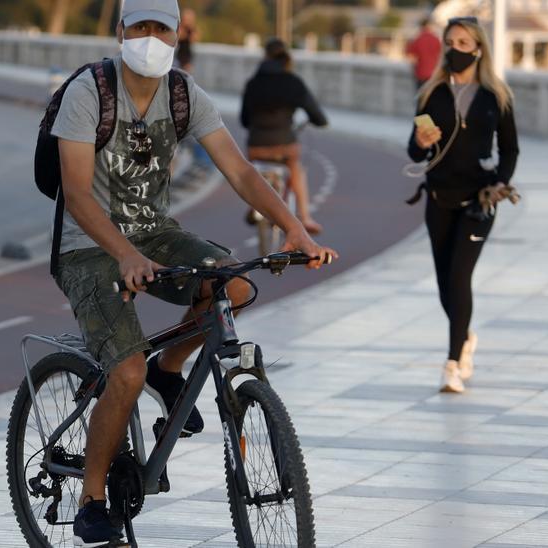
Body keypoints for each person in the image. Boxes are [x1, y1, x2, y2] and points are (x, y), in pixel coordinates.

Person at [50, 1, 336, 544]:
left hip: (154, 232)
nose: (151, 38)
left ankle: (171, 366)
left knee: (232, 281)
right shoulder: (88, 93)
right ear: (121, 32)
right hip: (87, 247)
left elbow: (240, 169)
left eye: (162, 28)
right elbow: (78, 194)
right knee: (126, 372)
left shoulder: (182, 94)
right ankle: (90, 498)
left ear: (178, 35)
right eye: (141, 27)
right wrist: (124, 254)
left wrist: (293, 228)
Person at [407, 17, 519, 394]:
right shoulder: (431, 93)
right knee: (443, 284)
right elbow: (413, 149)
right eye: (450, 42)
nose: (456, 49)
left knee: (459, 277)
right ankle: (465, 334)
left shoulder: (495, 96)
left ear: (479, 48)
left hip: (478, 201)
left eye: (464, 42)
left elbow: (510, 148)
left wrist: (501, 181)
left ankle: (453, 362)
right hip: (438, 198)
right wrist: (422, 143)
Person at [240, 38, 329, 235]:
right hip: (285, 145)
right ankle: (305, 218)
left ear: (265, 56)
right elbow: (317, 114)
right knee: (296, 169)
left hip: (256, 145)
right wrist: (319, 121)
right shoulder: (293, 82)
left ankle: (253, 206)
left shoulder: (253, 83)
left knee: (250, 170)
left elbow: (244, 119)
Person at [406, 17, 442, 90]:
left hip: (420, 73)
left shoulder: (417, 39)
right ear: (429, 26)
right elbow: (441, 55)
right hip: (433, 74)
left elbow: (410, 57)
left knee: (421, 98)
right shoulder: (436, 39)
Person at [174, 8, 197, 73]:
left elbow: (194, 39)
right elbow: (180, 36)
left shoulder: (191, 29)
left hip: (187, 57)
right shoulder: (180, 28)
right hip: (178, 56)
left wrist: (191, 29)